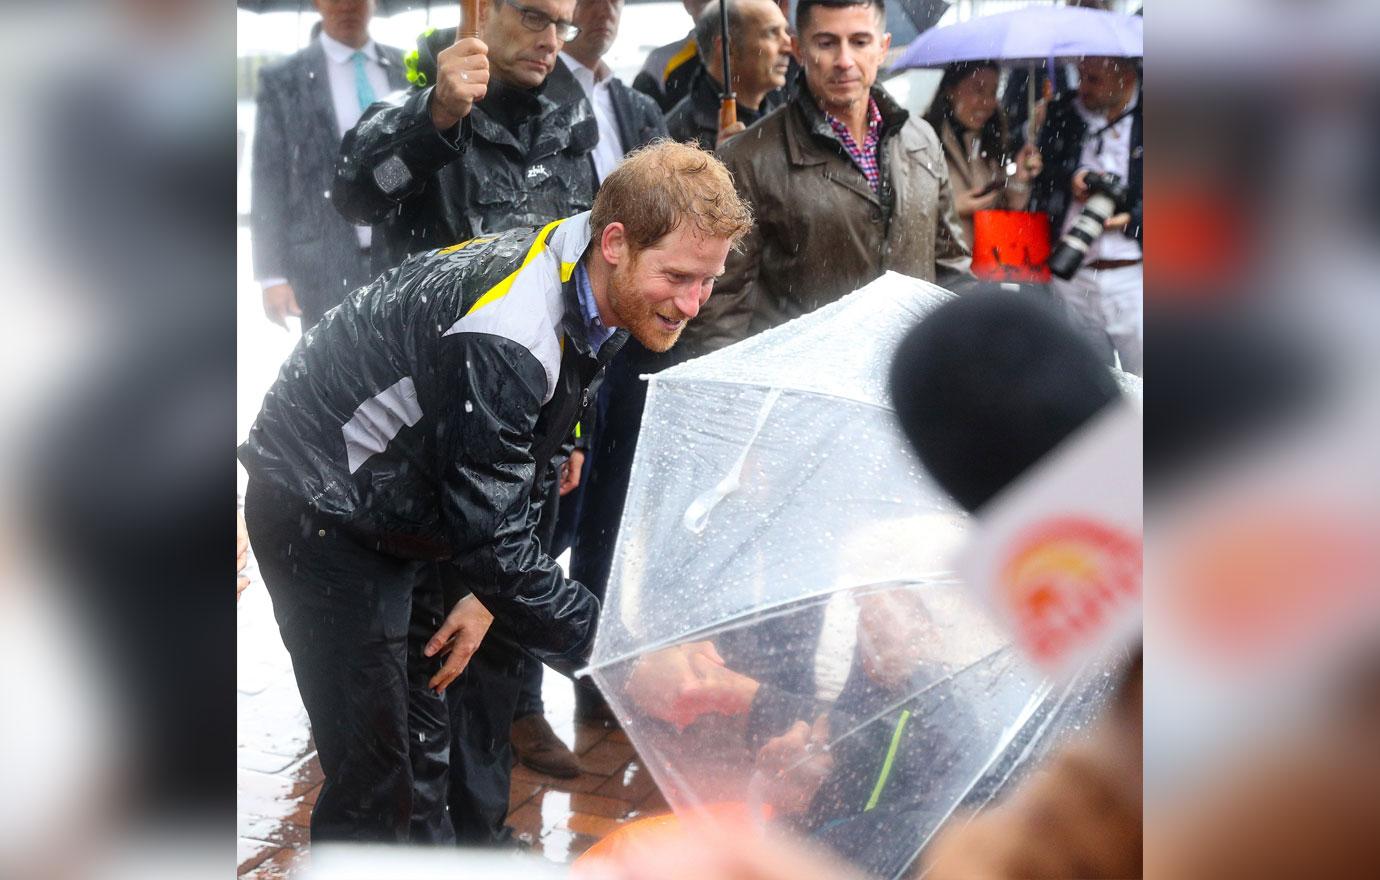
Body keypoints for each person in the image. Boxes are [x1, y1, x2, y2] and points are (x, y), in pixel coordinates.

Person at [238, 141, 753, 844]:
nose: (694, 303)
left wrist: (485, 593)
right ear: (615, 242)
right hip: (318, 506)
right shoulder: (514, 328)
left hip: (403, 502)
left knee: (424, 746)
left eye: (709, 280)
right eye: (680, 277)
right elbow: (494, 536)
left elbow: (532, 455)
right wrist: (622, 657)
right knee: (375, 780)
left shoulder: (593, 278)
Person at [508, 0, 669, 781]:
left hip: (631, 338)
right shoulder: (533, 93)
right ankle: (518, 699)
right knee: (540, 514)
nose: (602, 11)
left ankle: (595, 664)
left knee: (607, 509)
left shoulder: (636, 102)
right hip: (564, 324)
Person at [679, 0, 971, 357]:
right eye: (827, 42)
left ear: (882, 47)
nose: (844, 60)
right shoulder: (747, 159)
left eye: (860, 41)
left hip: (911, 379)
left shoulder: (921, 140)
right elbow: (719, 314)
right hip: (801, 389)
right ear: (799, 49)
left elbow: (950, 270)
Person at [332, 0, 599, 277]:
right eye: (534, 17)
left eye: (563, 25)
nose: (551, 41)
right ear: (482, 10)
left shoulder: (570, 130)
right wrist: (434, 118)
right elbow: (358, 198)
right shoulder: (417, 114)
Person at [251, 0, 408, 330]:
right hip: (322, 265)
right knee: (330, 376)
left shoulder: (406, 67)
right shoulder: (283, 79)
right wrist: (271, 275)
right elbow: (268, 175)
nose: (348, 5)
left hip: (402, 260)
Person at [1032, 55, 1143, 375]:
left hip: (1135, 277)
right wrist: (1071, 176)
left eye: (1094, 79)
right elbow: (1044, 171)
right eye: (1080, 76)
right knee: (1088, 384)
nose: (1083, 88)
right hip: (1072, 272)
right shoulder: (1064, 110)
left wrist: (1134, 218)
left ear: (1124, 74)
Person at [922, 60, 1043, 252]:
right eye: (978, 90)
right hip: (943, 267)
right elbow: (904, 212)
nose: (988, 103)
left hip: (987, 266)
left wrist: (1019, 178)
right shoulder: (921, 141)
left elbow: (1005, 208)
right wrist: (951, 207)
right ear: (950, 90)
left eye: (993, 92)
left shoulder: (990, 140)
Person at [665, 0, 793, 151]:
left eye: (785, 31)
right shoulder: (678, 139)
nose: (788, 46)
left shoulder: (786, 116)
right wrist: (719, 165)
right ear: (728, 49)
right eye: (772, 33)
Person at [632, 0, 713, 112]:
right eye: (704, 2)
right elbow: (639, 122)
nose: (714, 6)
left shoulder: (745, 54)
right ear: (687, 3)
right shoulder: (659, 63)